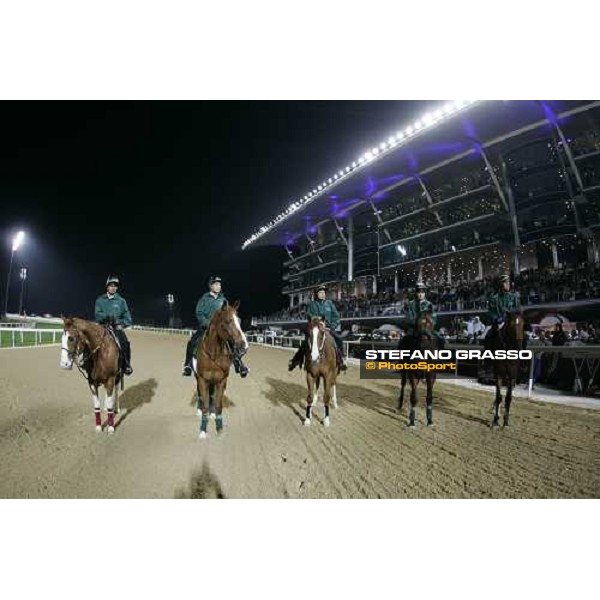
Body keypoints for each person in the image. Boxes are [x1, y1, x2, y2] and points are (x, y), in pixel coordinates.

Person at [182, 276, 249, 378]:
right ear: (211, 286)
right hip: (205, 327)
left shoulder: (223, 300)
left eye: (220, 285)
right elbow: (199, 313)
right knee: (192, 342)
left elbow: (228, 314)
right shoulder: (204, 299)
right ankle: (188, 366)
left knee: (232, 342)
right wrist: (206, 323)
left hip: (221, 328)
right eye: (216, 284)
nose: (219, 286)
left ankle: (239, 364)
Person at [288, 285, 347, 372]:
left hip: (329, 328)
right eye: (320, 293)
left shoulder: (329, 303)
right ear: (317, 294)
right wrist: (318, 323)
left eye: (323, 292)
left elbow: (336, 316)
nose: (322, 294)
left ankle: (341, 361)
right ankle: (295, 360)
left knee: (338, 339)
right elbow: (310, 316)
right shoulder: (312, 304)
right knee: (305, 343)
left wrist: (333, 326)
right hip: (316, 327)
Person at [94, 275, 133, 375]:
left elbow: (128, 318)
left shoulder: (121, 301)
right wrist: (108, 317)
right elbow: (97, 315)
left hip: (116, 329)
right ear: (107, 286)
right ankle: (86, 362)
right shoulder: (100, 300)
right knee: (88, 340)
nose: (113, 287)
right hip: (102, 327)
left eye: (115, 286)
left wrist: (122, 325)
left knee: (125, 342)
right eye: (111, 285)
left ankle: (126, 365)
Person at [403, 282, 445, 348]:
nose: (420, 294)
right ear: (416, 293)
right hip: (414, 329)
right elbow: (409, 318)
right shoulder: (410, 304)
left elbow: (434, 317)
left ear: (425, 293)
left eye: (422, 292)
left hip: (428, 329)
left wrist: (430, 323)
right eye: (419, 292)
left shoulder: (429, 304)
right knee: (404, 342)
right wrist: (418, 322)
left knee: (440, 339)